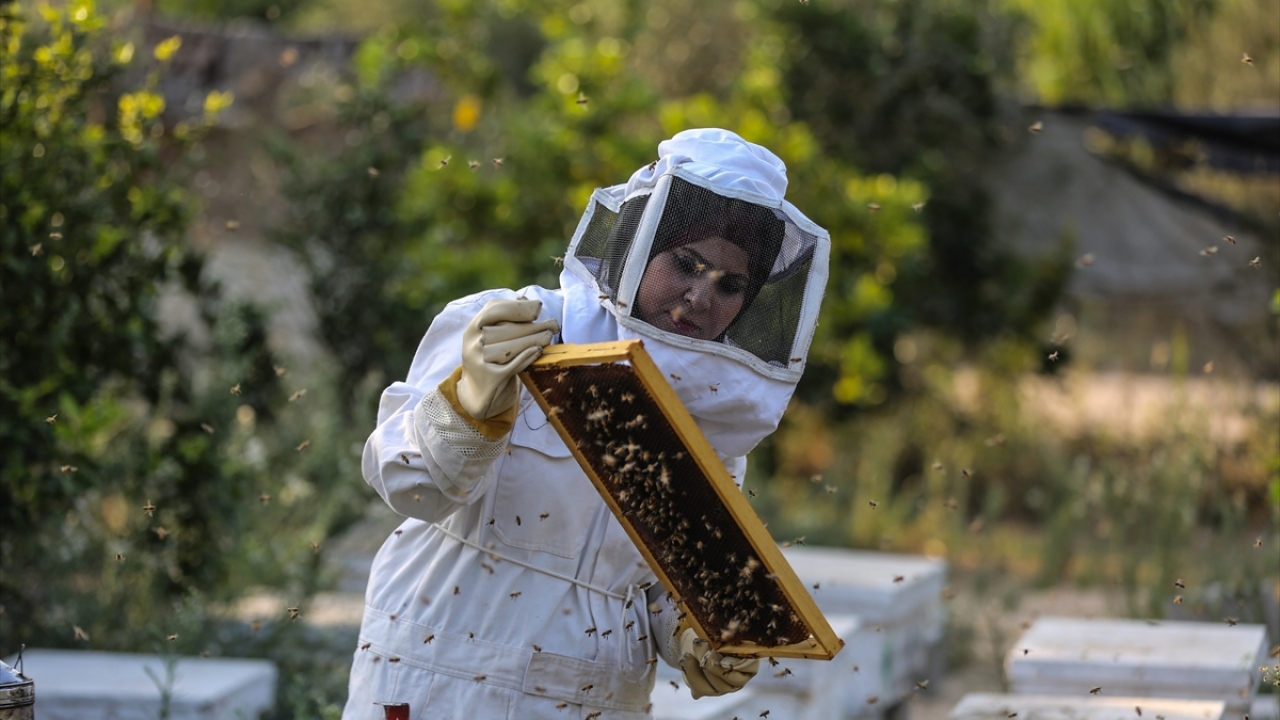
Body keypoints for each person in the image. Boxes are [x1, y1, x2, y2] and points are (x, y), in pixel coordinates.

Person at [343, 128, 831, 719]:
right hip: (442, 680)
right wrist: (468, 400)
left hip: (596, 699)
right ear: (636, 244)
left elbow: (654, 581)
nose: (701, 298)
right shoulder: (513, 328)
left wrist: (693, 633)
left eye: (730, 285)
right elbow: (409, 486)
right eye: (686, 264)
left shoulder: (712, 414)